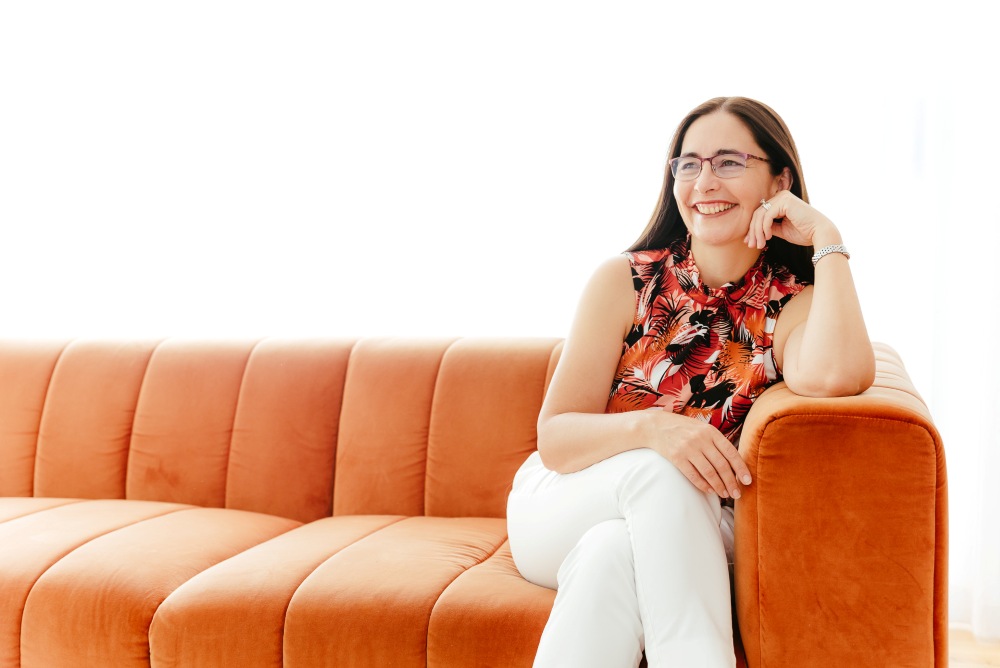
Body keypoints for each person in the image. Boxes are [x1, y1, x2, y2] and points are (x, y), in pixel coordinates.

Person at [506, 96, 875, 668]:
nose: (705, 180)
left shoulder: (788, 304)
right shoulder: (625, 280)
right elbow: (555, 439)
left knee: (608, 556)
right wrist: (654, 430)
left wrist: (826, 235)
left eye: (729, 162)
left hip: (688, 524)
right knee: (660, 467)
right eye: (689, 163)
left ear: (779, 180)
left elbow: (837, 375)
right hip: (561, 501)